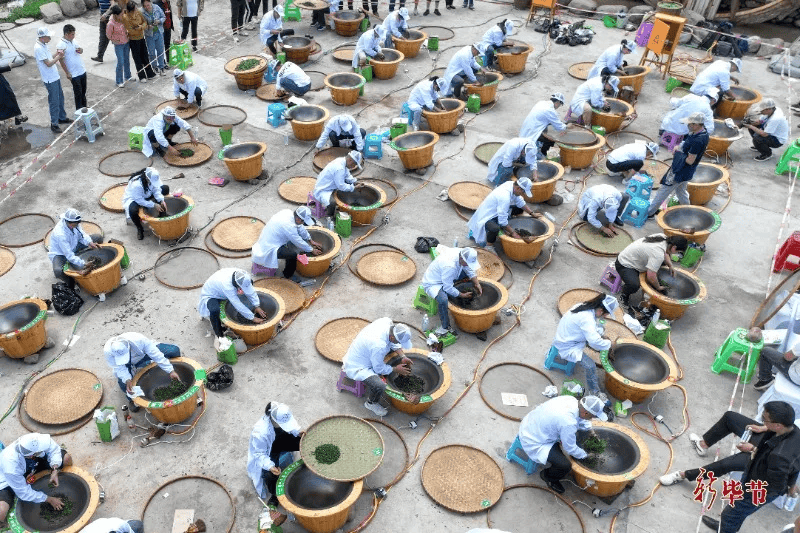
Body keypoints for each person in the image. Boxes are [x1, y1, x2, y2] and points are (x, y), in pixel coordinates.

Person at [659, 402, 800, 533]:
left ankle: (725, 528)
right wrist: (764, 428)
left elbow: (775, 486)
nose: (762, 420)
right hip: (760, 458)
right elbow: (796, 464)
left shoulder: (779, 456)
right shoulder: (794, 431)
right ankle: (726, 526)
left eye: (765, 419)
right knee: (730, 418)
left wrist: (753, 450)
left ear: (778, 426)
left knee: (731, 512)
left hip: (759, 483)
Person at [518, 395, 608, 494]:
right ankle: (548, 477)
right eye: (591, 417)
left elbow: (582, 419)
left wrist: (590, 431)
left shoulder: (571, 400)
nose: (591, 419)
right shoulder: (568, 422)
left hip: (533, 423)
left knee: (573, 438)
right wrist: (586, 455)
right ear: (586, 412)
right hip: (534, 439)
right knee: (564, 465)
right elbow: (570, 448)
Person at [341, 318, 418, 416]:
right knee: (379, 385)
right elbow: (378, 369)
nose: (399, 344)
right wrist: (396, 369)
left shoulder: (386, 322)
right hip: (357, 366)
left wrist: (403, 356)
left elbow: (393, 343)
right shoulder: (379, 345)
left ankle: (372, 400)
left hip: (365, 351)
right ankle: (371, 403)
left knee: (390, 352)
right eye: (398, 341)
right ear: (393, 337)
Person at [550, 294, 617, 399]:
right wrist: (610, 344)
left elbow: (593, 329)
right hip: (567, 345)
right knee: (590, 366)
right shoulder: (587, 319)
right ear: (600, 310)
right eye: (606, 314)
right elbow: (594, 342)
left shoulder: (585, 306)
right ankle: (594, 392)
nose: (605, 317)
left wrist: (602, 336)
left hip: (568, 335)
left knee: (601, 337)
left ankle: (594, 390)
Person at [247, 402, 303, 526]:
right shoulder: (260, 432)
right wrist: (270, 466)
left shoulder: (280, 414)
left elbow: (290, 428)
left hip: (280, 439)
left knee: (302, 442)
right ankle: (274, 496)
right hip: (269, 450)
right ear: (273, 420)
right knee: (270, 475)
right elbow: (260, 454)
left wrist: (297, 434)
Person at [0, 433, 74, 527]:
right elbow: (23, 493)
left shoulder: (36, 440)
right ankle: (2, 525)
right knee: (1, 510)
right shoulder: (11, 465)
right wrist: (49, 499)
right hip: (8, 481)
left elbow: (54, 450)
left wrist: (55, 469)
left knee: (66, 458)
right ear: (31, 455)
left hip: (33, 465)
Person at [646, 112, 710, 217]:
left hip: (680, 170)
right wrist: (680, 146)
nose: (688, 126)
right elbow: (687, 143)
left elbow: (690, 160)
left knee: (664, 190)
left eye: (690, 124)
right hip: (688, 172)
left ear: (696, 125)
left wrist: (678, 152)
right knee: (681, 191)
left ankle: (649, 213)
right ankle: (687, 211)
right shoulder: (703, 132)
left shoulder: (698, 141)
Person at [103, 332, 180, 412]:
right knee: (125, 385)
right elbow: (119, 368)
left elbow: (156, 355)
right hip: (126, 365)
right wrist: (127, 379)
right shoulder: (108, 351)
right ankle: (132, 400)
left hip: (143, 354)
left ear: (129, 347)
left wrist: (171, 370)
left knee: (173, 351)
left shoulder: (138, 339)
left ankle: (176, 371)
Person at [615, 233, 688, 309]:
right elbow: (651, 277)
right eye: (677, 251)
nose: (676, 253)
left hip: (635, 258)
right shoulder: (657, 254)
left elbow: (665, 253)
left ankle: (651, 271)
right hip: (625, 264)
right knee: (634, 285)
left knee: (663, 262)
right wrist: (658, 287)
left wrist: (670, 265)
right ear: (674, 247)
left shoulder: (663, 237)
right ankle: (624, 294)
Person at [421, 246, 482, 336]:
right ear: (461, 259)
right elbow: (447, 288)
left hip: (445, 275)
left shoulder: (462, 253)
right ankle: (445, 327)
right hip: (433, 283)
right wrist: (461, 295)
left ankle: (456, 287)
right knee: (443, 300)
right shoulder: (450, 266)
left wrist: (477, 283)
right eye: (467, 263)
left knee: (468, 275)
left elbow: (469, 268)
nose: (468, 265)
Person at [467, 178, 542, 250]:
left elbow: (520, 202)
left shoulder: (512, 185)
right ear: (518, 188)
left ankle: (505, 228)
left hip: (497, 210)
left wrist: (532, 213)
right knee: (495, 229)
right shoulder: (504, 196)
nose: (523, 194)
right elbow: (502, 220)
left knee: (519, 209)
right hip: (488, 216)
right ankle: (489, 246)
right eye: (523, 192)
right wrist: (513, 233)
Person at [251, 207, 323, 281]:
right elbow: (297, 241)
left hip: (271, 239)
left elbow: (300, 228)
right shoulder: (288, 225)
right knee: (292, 255)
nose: (303, 223)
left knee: (297, 240)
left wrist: (310, 240)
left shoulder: (288, 213)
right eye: (303, 221)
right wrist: (311, 250)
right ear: (298, 219)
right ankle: (288, 275)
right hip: (270, 246)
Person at [198, 268, 267, 344]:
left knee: (242, 295)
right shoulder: (227, 285)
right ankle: (219, 335)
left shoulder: (242, 276)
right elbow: (238, 305)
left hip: (221, 290)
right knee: (215, 310)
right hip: (211, 295)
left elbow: (251, 291)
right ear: (236, 286)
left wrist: (257, 306)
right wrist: (253, 318)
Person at [48, 209, 103, 290]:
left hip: (74, 244)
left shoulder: (75, 224)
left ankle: (97, 257)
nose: (77, 225)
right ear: (68, 222)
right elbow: (69, 255)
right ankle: (72, 282)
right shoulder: (60, 234)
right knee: (58, 271)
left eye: (77, 223)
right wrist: (83, 263)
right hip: (61, 253)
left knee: (98, 237)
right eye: (74, 224)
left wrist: (90, 242)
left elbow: (82, 235)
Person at [34, 27, 69, 133]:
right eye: (48, 36)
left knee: (60, 98)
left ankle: (62, 117)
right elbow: (48, 63)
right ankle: (54, 123)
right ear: (43, 37)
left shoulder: (44, 45)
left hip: (55, 76)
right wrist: (59, 57)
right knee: (54, 101)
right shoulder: (38, 48)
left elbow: (49, 58)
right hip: (50, 79)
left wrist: (57, 54)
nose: (50, 38)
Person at [122, 167, 169, 240]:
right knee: (133, 210)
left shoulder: (153, 179)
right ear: (147, 178)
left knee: (165, 188)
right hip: (135, 198)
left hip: (147, 194)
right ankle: (139, 228)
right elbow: (139, 200)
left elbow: (156, 190)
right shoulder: (136, 184)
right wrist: (153, 205)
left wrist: (161, 200)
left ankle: (162, 216)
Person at [312, 150, 363, 218]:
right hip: (323, 190)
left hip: (330, 185)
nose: (354, 167)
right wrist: (354, 187)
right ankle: (329, 217)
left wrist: (354, 182)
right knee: (332, 203)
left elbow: (347, 175)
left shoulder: (342, 161)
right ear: (350, 160)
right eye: (354, 164)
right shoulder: (339, 168)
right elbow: (341, 186)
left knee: (347, 186)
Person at [519, 93, 566, 158]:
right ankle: (543, 155)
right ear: (557, 102)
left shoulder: (541, 103)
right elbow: (561, 127)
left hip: (525, 132)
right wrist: (568, 126)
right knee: (551, 140)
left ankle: (540, 150)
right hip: (531, 136)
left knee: (548, 129)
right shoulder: (550, 110)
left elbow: (551, 120)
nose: (558, 107)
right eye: (560, 105)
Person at [743, 98, 789, 162]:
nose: (761, 112)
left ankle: (767, 154)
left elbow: (764, 134)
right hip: (771, 132)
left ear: (768, 109)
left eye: (762, 111)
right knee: (752, 128)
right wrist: (750, 123)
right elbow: (760, 121)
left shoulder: (775, 118)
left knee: (757, 138)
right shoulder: (773, 110)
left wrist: (750, 126)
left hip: (777, 140)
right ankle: (760, 146)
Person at [56, 25, 88, 111]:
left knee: (83, 92)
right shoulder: (61, 45)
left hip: (81, 70)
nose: (74, 36)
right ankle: (79, 110)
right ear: (66, 34)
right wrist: (67, 73)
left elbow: (80, 49)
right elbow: (61, 61)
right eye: (72, 34)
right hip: (73, 74)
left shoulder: (73, 40)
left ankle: (85, 108)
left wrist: (81, 50)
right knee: (78, 94)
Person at [124, 2, 156, 82]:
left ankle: (150, 73)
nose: (136, 10)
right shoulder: (126, 17)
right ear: (130, 10)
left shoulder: (138, 12)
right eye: (134, 9)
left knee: (145, 56)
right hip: (133, 40)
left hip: (141, 37)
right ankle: (142, 76)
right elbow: (131, 31)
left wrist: (140, 27)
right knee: (137, 58)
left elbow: (144, 22)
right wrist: (139, 29)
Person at [106, 5, 132, 88]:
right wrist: (115, 40)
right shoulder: (111, 24)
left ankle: (128, 76)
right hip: (118, 45)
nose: (122, 15)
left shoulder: (122, 19)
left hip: (126, 42)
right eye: (121, 14)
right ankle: (119, 81)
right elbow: (108, 35)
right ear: (116, 15)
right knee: (120, 62)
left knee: (127, 60)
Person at [142, 0, 167, 75]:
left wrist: (159, 21)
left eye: (148, 5)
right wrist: (147, 26)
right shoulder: (142, 12)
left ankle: (161, 67)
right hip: (149, 34)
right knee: (151, 52)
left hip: (159, 32)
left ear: (151, 3)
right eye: (145, 6)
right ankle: (154, 67)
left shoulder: (156, 7)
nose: (147, 7)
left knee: (160, 51)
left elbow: (163, 17)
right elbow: (141, 24)